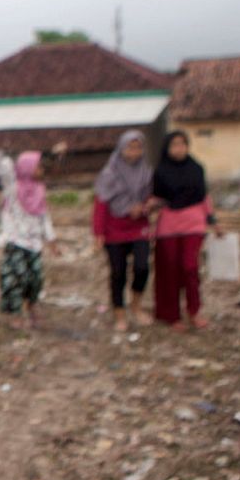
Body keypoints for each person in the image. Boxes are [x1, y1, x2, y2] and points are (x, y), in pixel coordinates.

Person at [151, 131, 222, 331]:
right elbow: (155, 198)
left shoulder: (197, 169)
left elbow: (204, 196)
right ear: (167, 148)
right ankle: (172, 315)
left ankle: (194, 311)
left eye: (182, 144)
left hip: (194, 224)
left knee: (190, 268)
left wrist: (213, 222)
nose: (179, 148)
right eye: (174, 144)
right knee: (170, 270)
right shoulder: (160, 171)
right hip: (169, 226)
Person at [93, 130, 153, 331]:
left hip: (139, 227)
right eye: (130, 147)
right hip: (114, 229)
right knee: (118, 272)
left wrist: (144, 207)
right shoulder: (109, 173)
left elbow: (151, 198)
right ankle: (119, 313)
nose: (134, 152)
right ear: (121, 148)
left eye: (138, 147)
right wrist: (99, 233)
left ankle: (136, 305)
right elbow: (101, 204)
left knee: (142, 267)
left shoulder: (146, 172)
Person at [0, 150, 59, 329]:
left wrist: (51, 240)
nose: (41, 170)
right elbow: (5, 168)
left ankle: (32, 304)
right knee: (17, 279)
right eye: (38, 166)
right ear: (28, 168)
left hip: (34, 244)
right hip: (16, 241)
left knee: (36, 278)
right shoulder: (13, 189)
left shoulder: (39, 190)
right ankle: (15, 313)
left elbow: (44, 216)